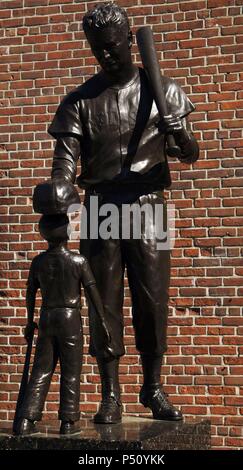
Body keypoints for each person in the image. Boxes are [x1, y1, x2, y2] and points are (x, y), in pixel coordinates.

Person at [48, 2, 199, 424]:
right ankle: (111, 393)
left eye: (113, 47)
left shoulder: (164, 91)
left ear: (129, 41)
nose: (106, 56)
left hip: (149, 204)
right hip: (100, 207)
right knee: (104, 302)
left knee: (152, 301)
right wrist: (59, 185)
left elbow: (190, 153)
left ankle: (152, 387)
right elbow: (65, 162)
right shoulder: (80, 103)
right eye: (98, 49)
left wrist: (180, 135)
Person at [14, 213, 112, 435]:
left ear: (43, 234)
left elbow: (30, 292)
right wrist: (103, 321)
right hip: (69, 318)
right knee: (71, 371)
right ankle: (68, 421)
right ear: (68, 233)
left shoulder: (38, 262)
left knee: (41, 370)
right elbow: (92, 292)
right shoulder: (78, 261)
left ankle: (26, 419)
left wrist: (30, 321)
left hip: (47, 317)